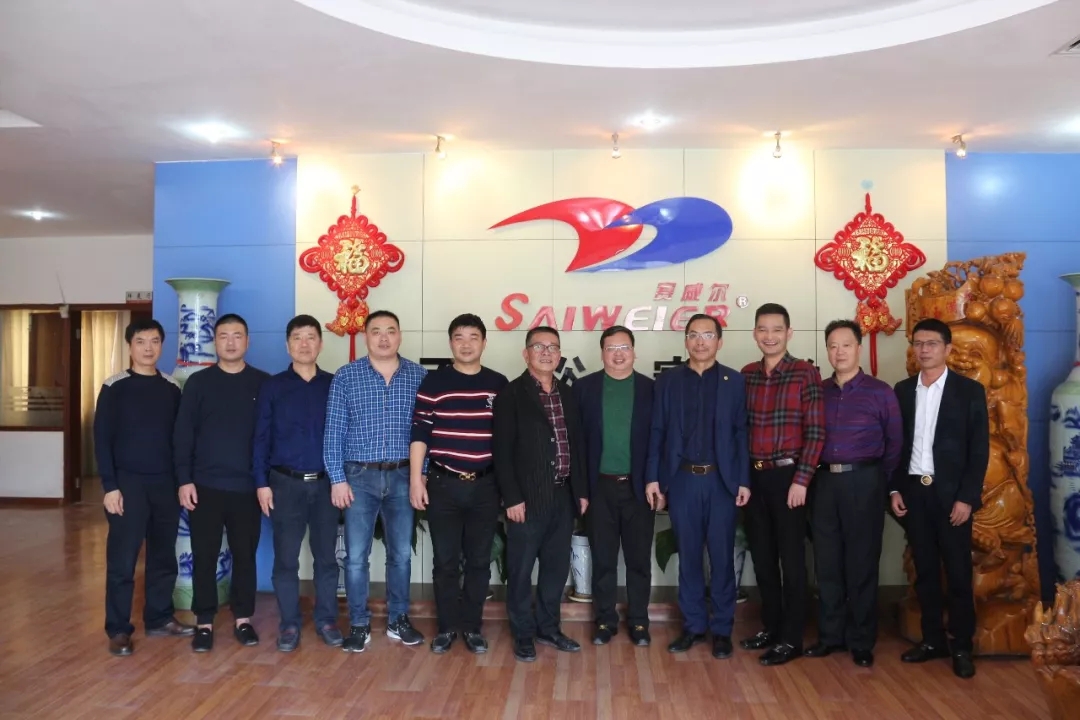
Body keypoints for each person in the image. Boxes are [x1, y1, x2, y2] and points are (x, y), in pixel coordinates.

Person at [324, 310, 427, 653]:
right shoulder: (347, 376)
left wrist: (421, 475)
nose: (384, 338)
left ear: (400, 336)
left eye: (391, 331)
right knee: (356, 557)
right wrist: (337, 479)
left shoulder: (418, 376)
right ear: (366, 336)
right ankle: (359, 623)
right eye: (376, 331)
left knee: (401, 555)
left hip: (403, 476)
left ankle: (398, 620)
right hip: (358, 477)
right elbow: (333, 432)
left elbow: (426, 432)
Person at [647, 314, 750, 659]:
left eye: (707, 335)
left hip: (721, 481)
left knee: (721, 557)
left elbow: (741, 434)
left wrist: (743, 480)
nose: (700, 341)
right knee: (688, 556)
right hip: (683, 480)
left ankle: (721, 630)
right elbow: (657, 431)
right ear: (686, 341)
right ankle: (693, 626)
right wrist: (654, 479)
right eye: (693, 335)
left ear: (720, 341)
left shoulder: (734, 381)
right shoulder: (668, 381)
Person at [891, 317, 989, 679]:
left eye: (931, 343)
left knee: (959, 573)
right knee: (926, 571)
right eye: (918, 343)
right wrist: (895, 488)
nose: (924, 350)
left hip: (952, 498)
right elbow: (895, 446)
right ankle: (932, 640)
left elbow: (979, 450)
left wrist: (967, 498)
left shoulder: (969, 391)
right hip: (915, 493)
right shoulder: (903, 390)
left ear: (947, 348)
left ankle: (961, 645)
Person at [805, 319, 902, 668]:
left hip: (865, 481)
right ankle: (830, 636)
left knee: (862, 562)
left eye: (846, 345)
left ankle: (861, 640)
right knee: (827, 562)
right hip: (824, 483)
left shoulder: (880, 392)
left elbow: (894, 444)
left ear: (859, 348)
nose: (839, 352)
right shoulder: (818, 391)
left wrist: (885, 485)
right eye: (832, 346)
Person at [409, 314, 508, 655]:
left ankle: (472, 627)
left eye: (473, 337)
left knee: (479, 561)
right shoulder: (434, 382)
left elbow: (507, 439)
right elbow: (420, 431)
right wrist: (416, 479)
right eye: (459, 337)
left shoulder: (498, 383)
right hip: (443, 484)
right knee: (445, 562)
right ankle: (447, 627)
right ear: (450, 342)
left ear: (484, 342)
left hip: (485, 486)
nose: (466, 344)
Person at [96, 317, 193, 656]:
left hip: (165, 484)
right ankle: (118, 629)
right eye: (140, 341)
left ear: (161, 345)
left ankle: (159, 618)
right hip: (127, 485)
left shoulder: (171, 387)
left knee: (164, 556)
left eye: (154, 341)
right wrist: (110, 486)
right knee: (123, 560)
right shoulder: (114, 386)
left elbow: (180, 439)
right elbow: (101, 439)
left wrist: (181, 481)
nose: (148, 348)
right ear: (130, 346)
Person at [175, 313, 270, 652]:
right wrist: (184, 480)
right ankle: (204, 622)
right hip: (205, 486)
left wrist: (264, 482)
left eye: (237, 335)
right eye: (224, 336)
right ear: (215, 341)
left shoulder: (263, 382)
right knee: (204, 555)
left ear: (247, 341)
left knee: (245, 555)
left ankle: (243, 619)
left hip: (247, 488)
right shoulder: (198, 383)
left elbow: (269, 437)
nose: (231, 342)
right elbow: (183, 434)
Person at [493, 326, 588, 663]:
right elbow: (502, 451)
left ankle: (549, 628)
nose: (547, 352)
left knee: (555, 568)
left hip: (563, 496)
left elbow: (577, 445)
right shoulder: (511, 394)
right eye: (539, 346)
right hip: (526, 499)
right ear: (526, 353)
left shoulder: (568, 393)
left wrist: (581, 492)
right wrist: (511, 498)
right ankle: (523, 633)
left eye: (553, 347)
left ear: (559, 355)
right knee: (520, 570)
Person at [740, 303, 824, 666]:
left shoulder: (805, 373)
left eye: (777, 329)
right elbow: (739, 430)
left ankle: (792, 638)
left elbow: (816, 432)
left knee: (791, 560)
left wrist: (802, 480)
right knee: (762, 557)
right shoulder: (747, 374)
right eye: (763, 329)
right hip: (754, 477)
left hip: (790, 477)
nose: (769, 336)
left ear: (789, 333)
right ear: (754, 333)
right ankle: (771, 627)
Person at [252, 314, 341, 652]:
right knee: (286, 559)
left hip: (325, 485)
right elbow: (260, 437)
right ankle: (289, 623)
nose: (304, 344)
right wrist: (261, 483)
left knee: (326, 558)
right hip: (284, 484)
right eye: (297, 338)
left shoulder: (335, 384)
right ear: (287, 345)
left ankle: (327, 620)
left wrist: (342, 480)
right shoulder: (272, 387)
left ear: (320, 343)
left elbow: (345, 435)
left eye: (310, 337)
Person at [574, 326, 656, 647]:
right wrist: (582, 490)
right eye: (611, 348)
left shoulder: (651, 388)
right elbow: (577, 445)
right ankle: (605, 620)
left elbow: (660, 441)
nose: (618, 354)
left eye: (624, 347)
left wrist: (657, 483)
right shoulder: (584, 388)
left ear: (634, 352)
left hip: (639, 489)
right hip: (600, 488)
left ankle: (639, 621)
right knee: (603, 559)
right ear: (602, 353)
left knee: (638, 560)